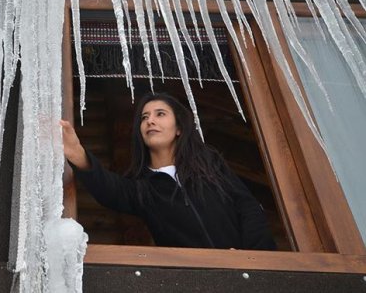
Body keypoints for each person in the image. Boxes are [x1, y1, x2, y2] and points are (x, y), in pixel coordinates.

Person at [60, 92, 276, 250]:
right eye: (144, 118)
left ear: (179, 128)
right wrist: (77, 153)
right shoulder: (143, 189)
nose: (150, 121)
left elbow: (248, 207)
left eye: (160, 114)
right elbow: (110, 189)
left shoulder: (211, 166)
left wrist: (252, 258)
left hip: (248, 272)